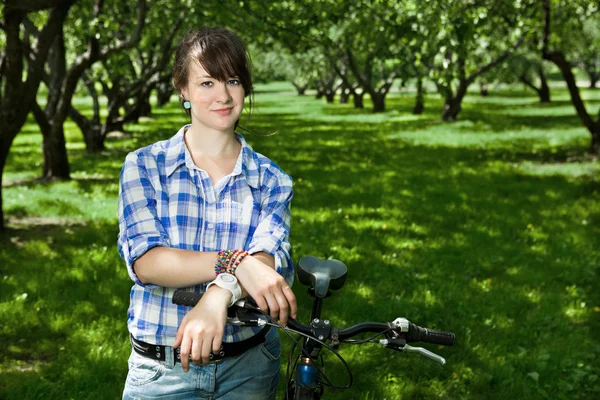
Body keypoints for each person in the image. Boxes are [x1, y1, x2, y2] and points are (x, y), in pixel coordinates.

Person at [117, 26, 297, 399]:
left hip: (248, 365)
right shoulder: (145, 167)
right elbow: (148, 262)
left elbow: (264, 263)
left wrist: (219, 292)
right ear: (183, 88)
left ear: (245, 87)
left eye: (232, 80)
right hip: (162, 372)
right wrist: (235, 262)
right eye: (207, 83)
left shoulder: (271, 180)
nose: (223, 95)